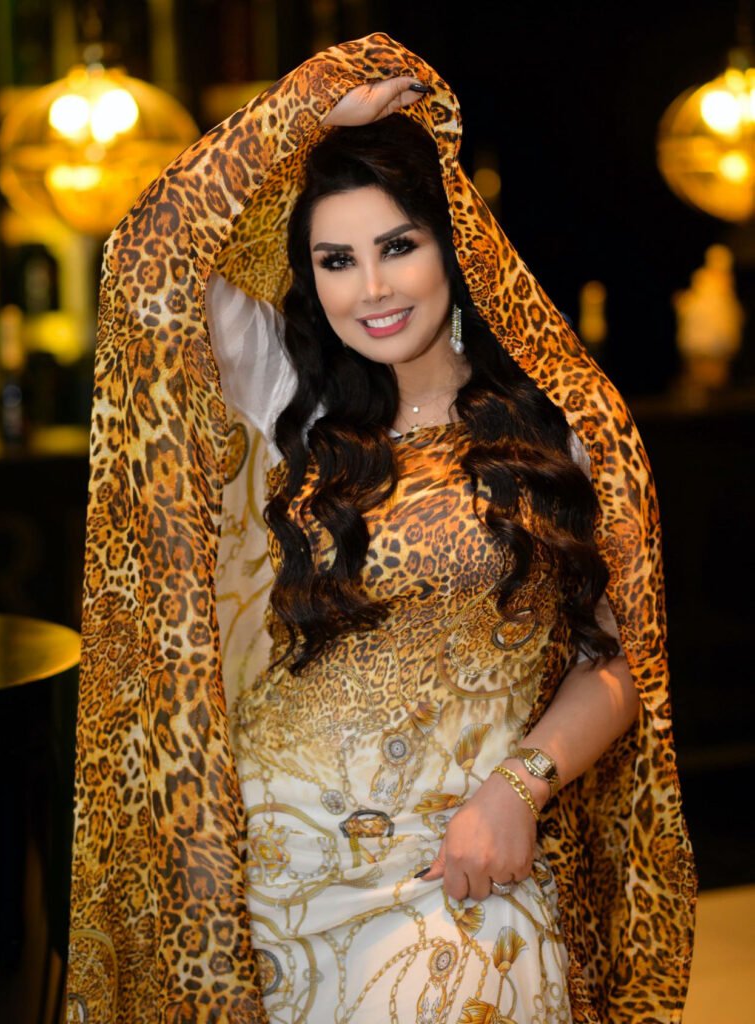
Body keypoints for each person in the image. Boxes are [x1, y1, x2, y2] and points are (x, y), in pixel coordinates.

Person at [66, 34, 696, 1024]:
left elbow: (619, 660)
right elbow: (144, 250)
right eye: (337, 260)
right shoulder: (294, 399)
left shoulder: (566, 423)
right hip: (267, 870)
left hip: (467, 856)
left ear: (454, 245)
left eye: (397, 246)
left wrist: (520, 786)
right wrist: (304, 115)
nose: (372, 289)